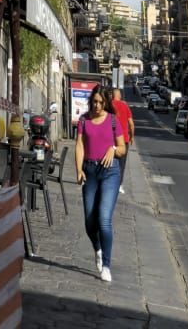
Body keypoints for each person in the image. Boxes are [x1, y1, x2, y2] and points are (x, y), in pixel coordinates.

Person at [75, 84, 134, 283]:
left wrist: (112, 150)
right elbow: (80, 145)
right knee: (89, 222)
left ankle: (107, 265)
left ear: (106, 103)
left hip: (110, 173)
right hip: (90, 172)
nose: (97, 105)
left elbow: (122, 148)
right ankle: (98, 249)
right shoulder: (84, 120)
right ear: (90, 101)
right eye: (94, 102)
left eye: (101, 102)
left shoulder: (113, 121)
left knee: (104, 219)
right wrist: (79, 169)